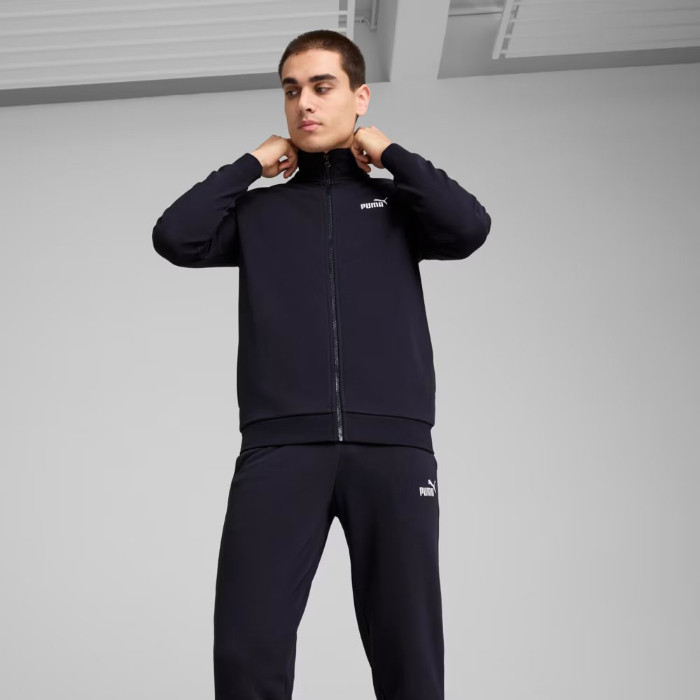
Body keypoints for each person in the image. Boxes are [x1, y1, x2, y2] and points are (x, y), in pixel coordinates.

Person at [152, 28, 491, 700]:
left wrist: (390, 154)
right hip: (281, 448)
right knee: (247, 651)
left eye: (322, 86)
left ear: (359, 97)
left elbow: (469, 227)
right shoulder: (259, 213)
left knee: (409, 654)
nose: (304, 102)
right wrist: (252, 163)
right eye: (291, 90)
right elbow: (175, 236)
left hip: (392, 449)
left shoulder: (399, 206)